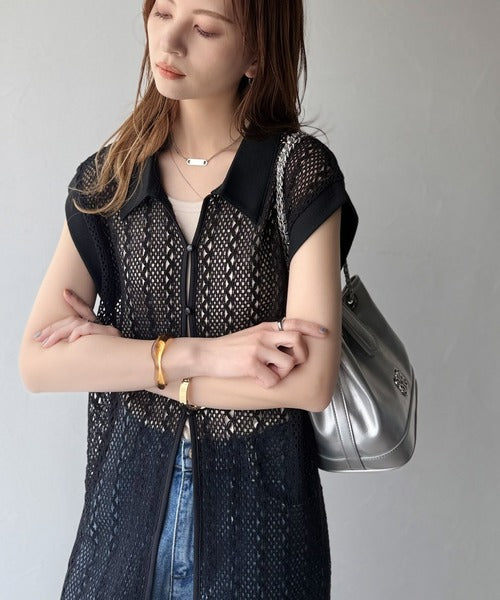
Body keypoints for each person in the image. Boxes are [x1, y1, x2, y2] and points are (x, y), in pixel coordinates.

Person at [18, 0, 358, 598]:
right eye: (162, 12)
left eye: (203, 27)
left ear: (256, 55)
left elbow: (311, 382)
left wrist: (127, 363)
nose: (169, 42)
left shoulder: (297, 174)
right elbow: (38, 363)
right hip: (123, 523)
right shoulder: (111, 178)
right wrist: (202, 355)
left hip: (260, 530)